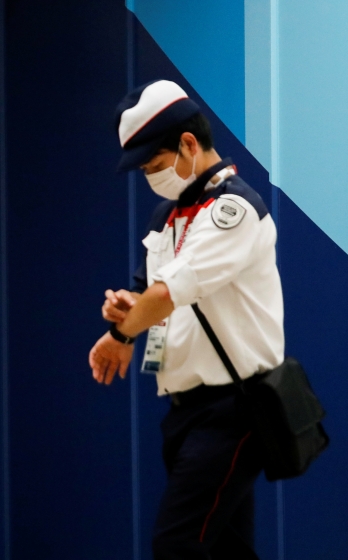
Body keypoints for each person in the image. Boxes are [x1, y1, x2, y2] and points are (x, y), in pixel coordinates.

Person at [88, 80, 284, 560]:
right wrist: (124, 311)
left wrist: (118, 336)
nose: (152, 178)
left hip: (233, 409)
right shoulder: (168, 216)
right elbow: (145, 294)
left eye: (155, 166)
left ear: (189, 145)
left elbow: (169, 291)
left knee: (177, 545)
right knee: (224, 550)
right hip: (186, 411)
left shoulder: (233, 211)